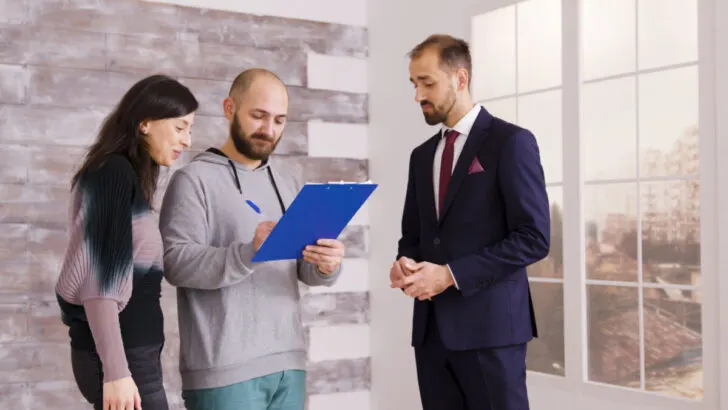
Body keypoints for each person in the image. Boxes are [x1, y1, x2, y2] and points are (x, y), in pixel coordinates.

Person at [159, 68, 346, 410]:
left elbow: (300, 268)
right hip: (224, 372)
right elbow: (176, 264)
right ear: (230, 108)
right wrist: (248, 253)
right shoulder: (193, 180)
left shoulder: (288, 181)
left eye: (279, 120)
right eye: (258, 116)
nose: (268, 130)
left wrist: (325, 266)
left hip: (288, 363)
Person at [390, 34, 550, 410]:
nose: (418, 95)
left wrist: (449, 275)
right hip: (431, 336)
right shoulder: (421, 156)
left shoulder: (511, 142)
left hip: (491, 334)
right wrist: (405, 264)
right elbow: (414, 234)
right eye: (414, 84)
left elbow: (534, 237)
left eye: (427, 82)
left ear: (460, 79)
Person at [55, 74, 199, 410]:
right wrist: (117, 373)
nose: (187, 140)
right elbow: (99, 283)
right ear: (146, 123)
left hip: (134, 357)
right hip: (121, 361)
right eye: (180, 127)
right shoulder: (112, 172)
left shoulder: (123, 175)